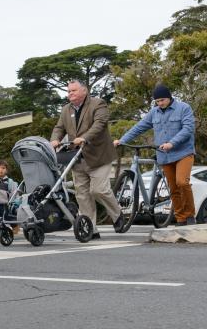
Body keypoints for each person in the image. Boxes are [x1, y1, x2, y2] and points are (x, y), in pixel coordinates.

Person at [50, 79, 125, 238]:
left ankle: (117, 215)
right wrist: (55, 139)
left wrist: (84, 137)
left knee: (98, 190)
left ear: (84, 91)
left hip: (99, 155)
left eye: (73, 91)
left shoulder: (98, 104)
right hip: (77, 157)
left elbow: (99, 124)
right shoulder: (66, 110)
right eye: (69, 91)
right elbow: (59, 128)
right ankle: (90, 228)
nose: (70, 94)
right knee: (82, 195)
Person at [113, 84, 197, 226]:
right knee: (173, 188)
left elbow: (188, 128)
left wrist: (172, 143)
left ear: (169, 98)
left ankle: (190, 215)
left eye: (162, 100)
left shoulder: (183, 108)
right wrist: (122, 140)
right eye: (157, 101)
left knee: (182, 182)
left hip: (183, 153)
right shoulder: (154, 112)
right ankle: (181, 217)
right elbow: (139, 127)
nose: (160, 103)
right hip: (164, 155)